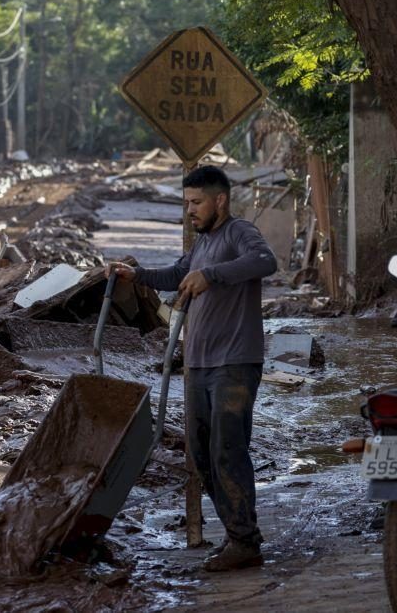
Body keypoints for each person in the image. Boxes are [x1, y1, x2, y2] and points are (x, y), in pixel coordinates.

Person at [105, 165, 277, 572]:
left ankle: (244, 542)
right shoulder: (201, 245)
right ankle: (241, 531)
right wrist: (137, 274)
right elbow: (177, 275)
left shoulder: (238, 233)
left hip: (234, 362)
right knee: (201, 455)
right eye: (186, 204)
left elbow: (265, 261)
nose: (190, 212)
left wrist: (212, 276)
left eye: (197, 203)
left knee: (227, 450)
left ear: (221, 200)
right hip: (198, 364)